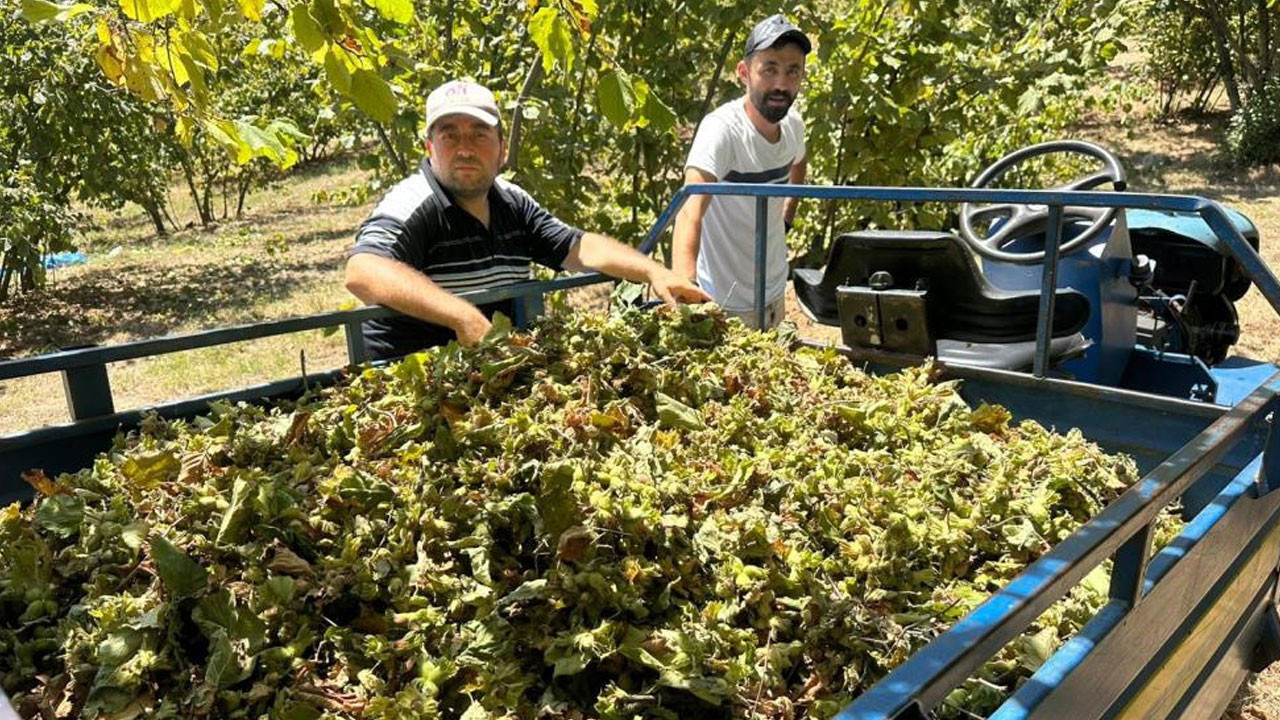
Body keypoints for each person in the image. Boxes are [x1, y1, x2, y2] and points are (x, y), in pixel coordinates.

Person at [345, 79, 710, 360]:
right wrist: (463, 317)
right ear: (429, 148)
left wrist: (653, 272)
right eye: (449, 135)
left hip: (491, 369)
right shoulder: (412, 202)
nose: (465, 149)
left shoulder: (512, 201)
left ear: (501, 148)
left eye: (479, 135)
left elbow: (579, 247)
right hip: (414, 378)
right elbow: (363, 272)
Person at [671, 14, 811, 329]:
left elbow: (799, 163)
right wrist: (685, 287)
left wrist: (787, 217)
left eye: (792, 71)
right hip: (725, 302)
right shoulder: (722, 131)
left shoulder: (793, 125)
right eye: (770, 69)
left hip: (774, 290)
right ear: (744, 73)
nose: (781, 84)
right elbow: (689, 210)